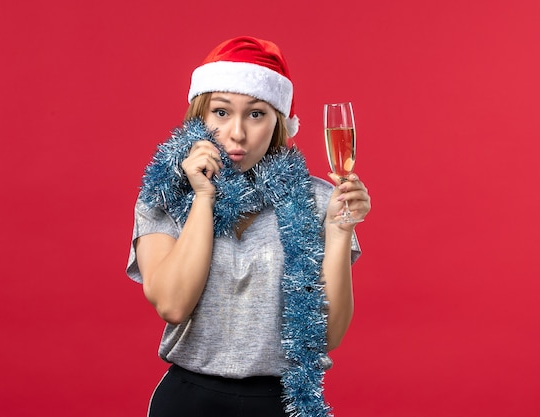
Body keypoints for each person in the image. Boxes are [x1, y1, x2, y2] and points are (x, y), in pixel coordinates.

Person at [126, 36, 371, 417]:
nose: (237, 133)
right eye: (221, 112)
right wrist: (203, 197)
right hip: (189, 402)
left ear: (279, 123)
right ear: (200, 117)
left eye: (256, 114)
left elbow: (327, 336)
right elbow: (173, 304)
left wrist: (340, 231)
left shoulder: (318, 199)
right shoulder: (164, 193)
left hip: (280, 403)